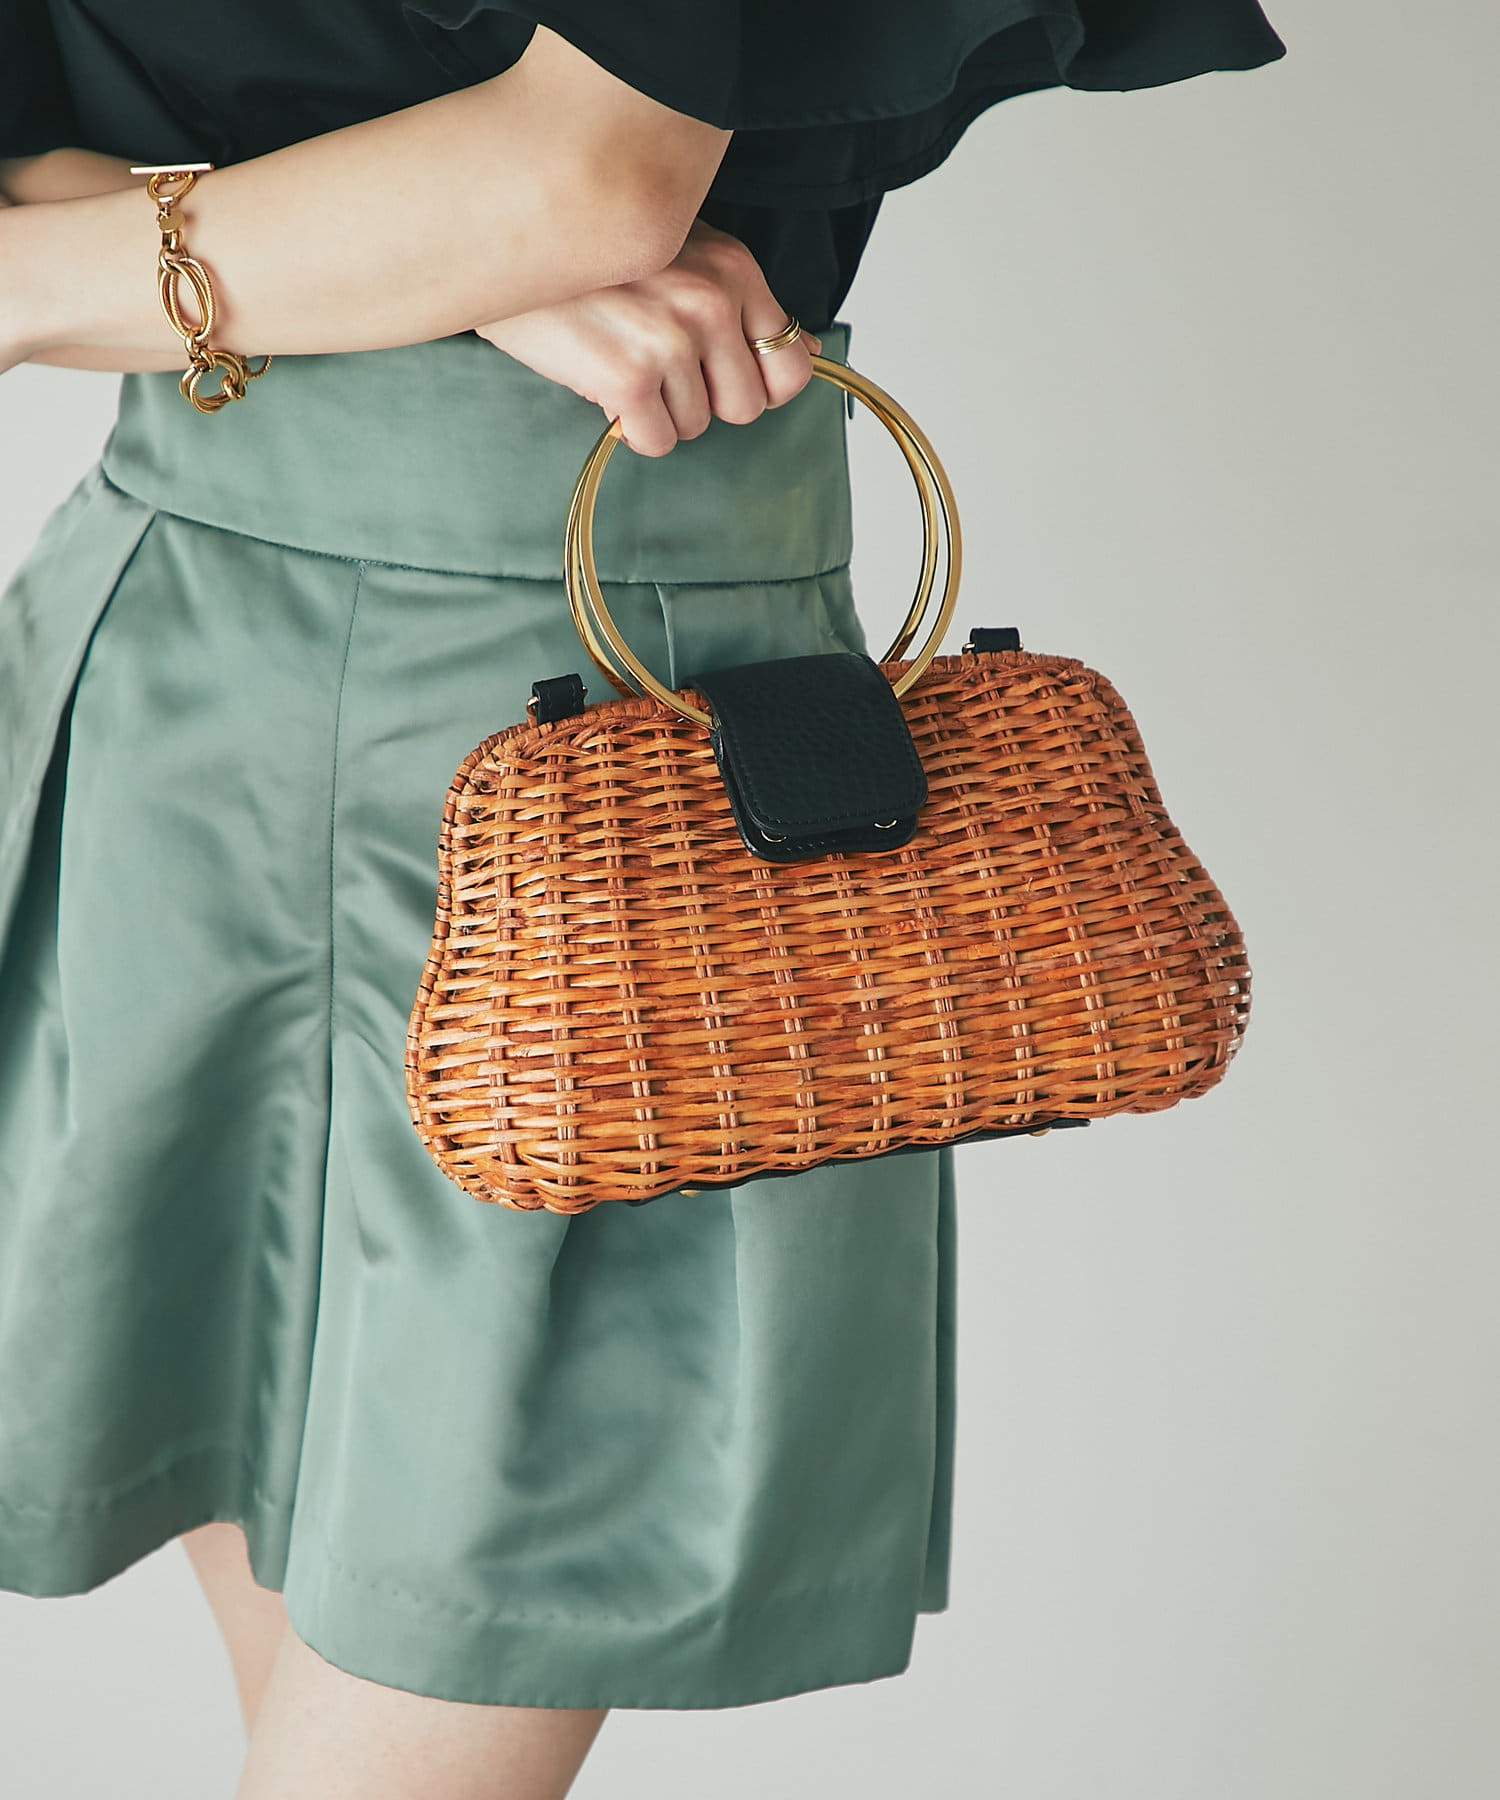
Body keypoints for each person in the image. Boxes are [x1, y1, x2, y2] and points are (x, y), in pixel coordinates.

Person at [0, 6, 1286, 1795]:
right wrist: (457, 269)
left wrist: (424, 245)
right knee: (262, 1524)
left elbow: (591, 173)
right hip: (178, 642)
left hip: (618, 724)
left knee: (442, 1632)